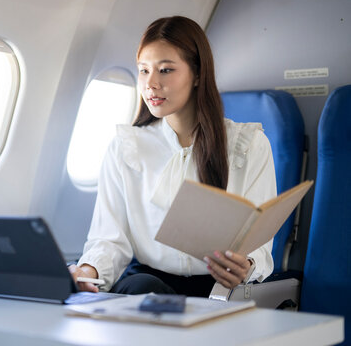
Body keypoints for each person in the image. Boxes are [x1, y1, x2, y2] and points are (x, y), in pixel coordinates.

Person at [68, 16, 276, 296]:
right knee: (144, 288)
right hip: (145, 285)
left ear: (198, 74)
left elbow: (259, 242)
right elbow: (109, 239)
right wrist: (87, 272)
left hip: (217, 288)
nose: (150, 84)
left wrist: (247, 265)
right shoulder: (126, 146)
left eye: (165, 70)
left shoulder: (248, 144)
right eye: (143, 71)